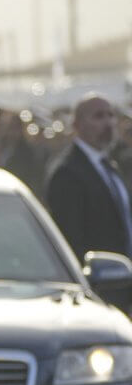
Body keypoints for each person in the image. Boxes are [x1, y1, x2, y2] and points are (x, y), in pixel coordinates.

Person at [46, 94, 129, 310]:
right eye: (98, 116)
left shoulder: (108, 165)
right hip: (101, 291)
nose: (108, 123)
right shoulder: (68, 172)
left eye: (111, 115)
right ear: (77, 124)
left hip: (124, 286)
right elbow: (71, 239)